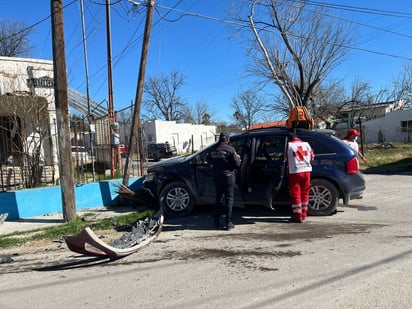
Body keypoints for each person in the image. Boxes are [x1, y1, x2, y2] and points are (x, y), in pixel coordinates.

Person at [208, 132, 241, 230]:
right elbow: (237, 164)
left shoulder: (212, 149)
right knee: (229, 199)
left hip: (217, 176)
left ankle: (216, 222)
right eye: (229, 139)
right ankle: (228, 223)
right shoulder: (230, 149)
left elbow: (208, 161)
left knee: (218, 198)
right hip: (228, 176)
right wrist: (238, 159)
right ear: (226, 139)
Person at [286, 131, 314, 223]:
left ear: (289, 139)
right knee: (305, 193)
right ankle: (304, 214)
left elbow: (285, 158)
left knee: (296, 194)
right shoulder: (306, 144)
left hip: (295, 172)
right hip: (306, 172)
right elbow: (312, 157)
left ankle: (297, 217)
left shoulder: (289, 145)